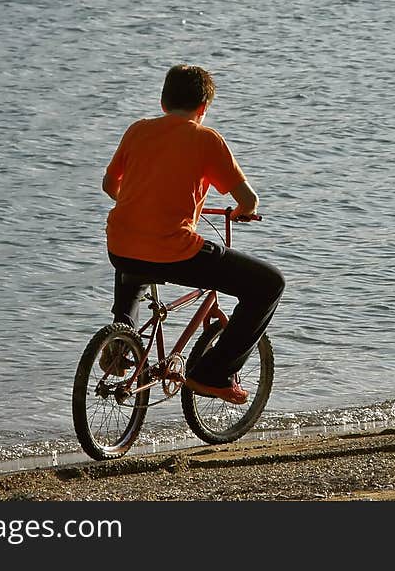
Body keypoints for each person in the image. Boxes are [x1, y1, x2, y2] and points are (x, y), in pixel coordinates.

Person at [101, 64, 285, 404]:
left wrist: (140, 202)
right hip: (174, 250)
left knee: (137, 267)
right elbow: (248, 200)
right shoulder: (204, 138)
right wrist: (243, 213)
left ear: (162, 102)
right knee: (269, 284)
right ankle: (211, 374)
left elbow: (110, 185)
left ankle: (120, 339)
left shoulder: (137, 131)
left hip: (121, 243)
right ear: (204, 108)